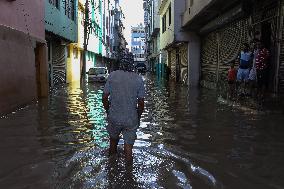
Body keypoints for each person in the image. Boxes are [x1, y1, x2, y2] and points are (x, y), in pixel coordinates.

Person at [102, 59, 145, 162]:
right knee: (128, 148)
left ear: (120, 64)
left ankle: (111, 168)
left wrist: (108, 110)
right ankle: (129, 173)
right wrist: (138, 116)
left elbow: (104, 97)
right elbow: (141, 103)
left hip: (114, 117)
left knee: (113, 143)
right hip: (131, 119)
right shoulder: (138, 79)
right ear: (132, 64)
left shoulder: (112, 75)